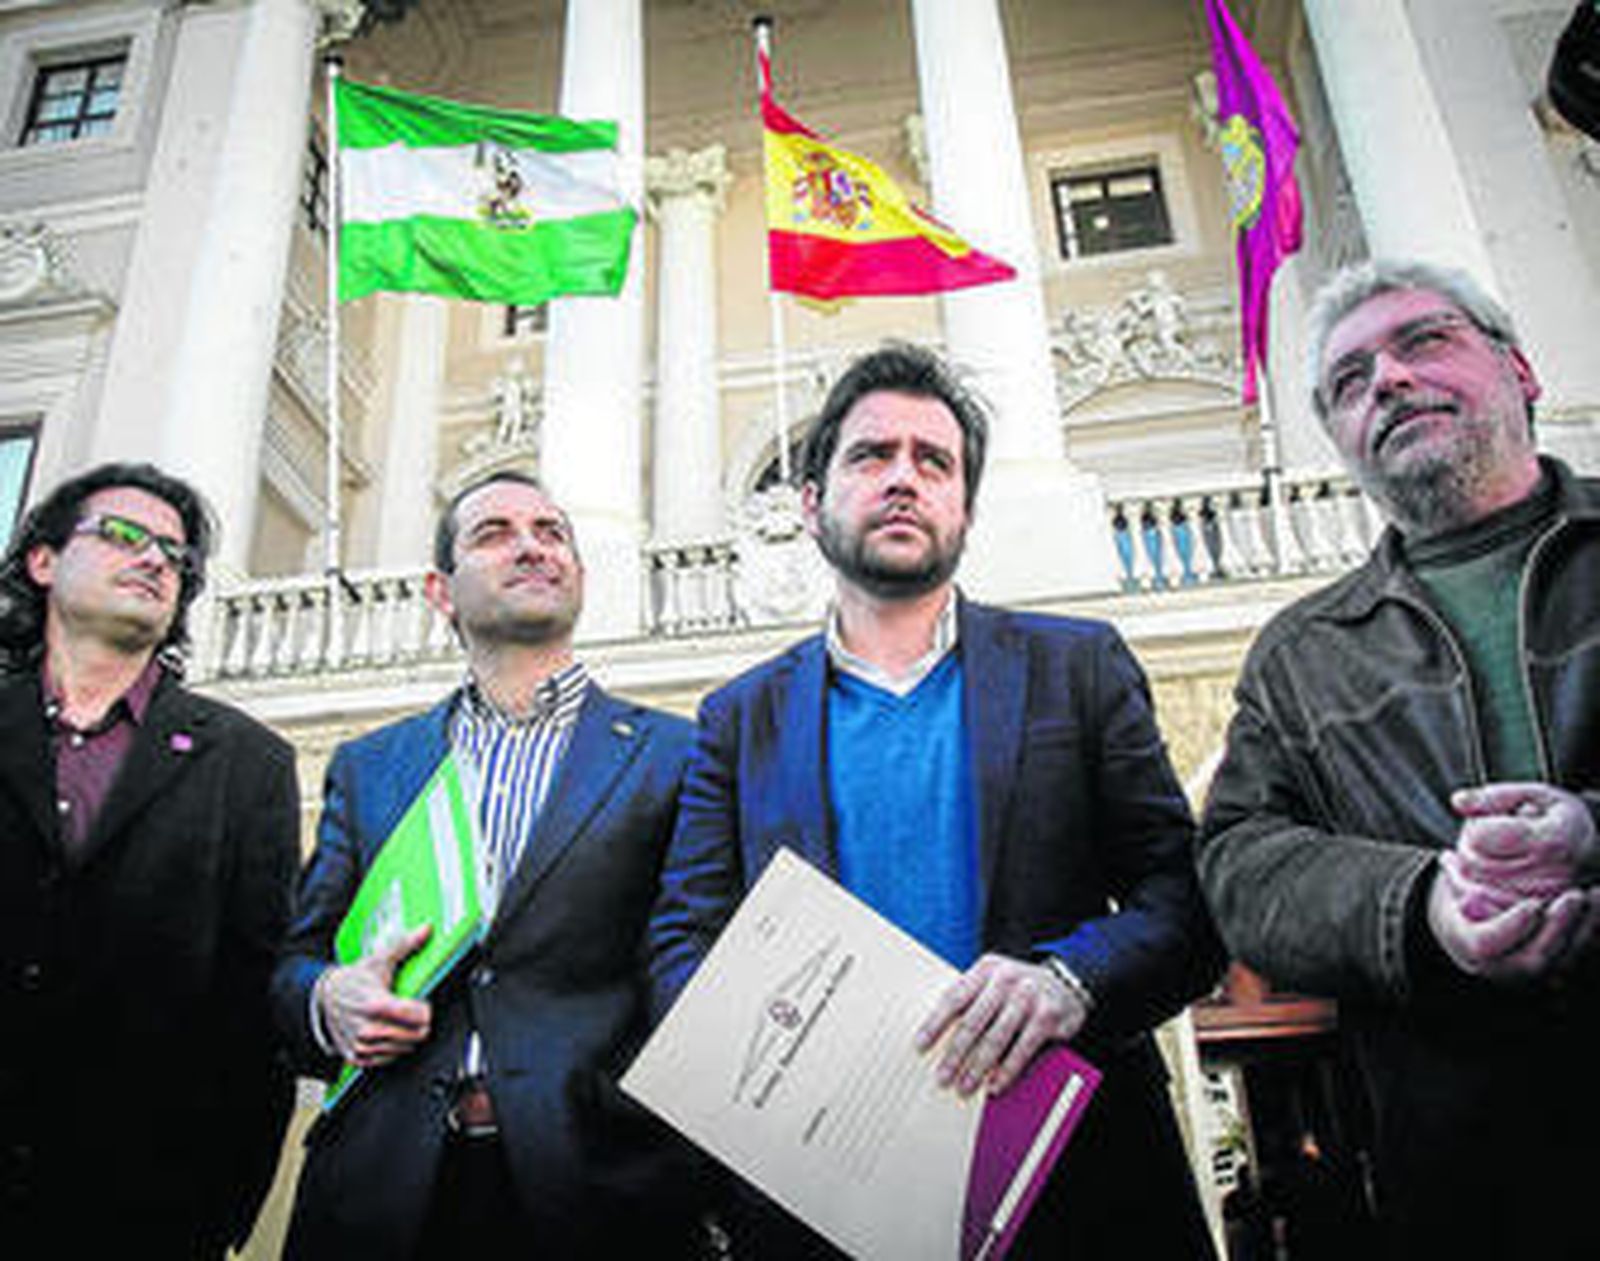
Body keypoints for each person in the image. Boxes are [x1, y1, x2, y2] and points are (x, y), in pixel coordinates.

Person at [650, 343, 1224, 1258]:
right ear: (810, 503)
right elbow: (682, 939)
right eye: (871, 456)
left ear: (964, 505)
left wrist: (1069, 981)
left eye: (934, 460)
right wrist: (773, 1054)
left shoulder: (1078, 667)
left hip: (1075, 1181)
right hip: (824, 1187)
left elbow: (1186, 900)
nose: (904, 479)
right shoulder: (737, 718)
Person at [1198, 258, 1600, 1259]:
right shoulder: (1301, 654)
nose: (1383, 379)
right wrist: (1422, 907)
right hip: (1473, 1182)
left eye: (1423, 341)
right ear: (1338, 438)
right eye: (1346, 381)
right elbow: (1238, 866)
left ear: (1521, 369)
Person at [272, 471, 703, 1259]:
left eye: (551, 530)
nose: (532, 545)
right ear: (441, 591)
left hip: (599, 1192)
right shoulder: (373, 767)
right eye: (495, 532)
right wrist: (328, 998)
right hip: (382, 1195)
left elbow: (699, 975)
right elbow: (292, 964)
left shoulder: (679, 757)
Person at [0, 463, 298, 1258]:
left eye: (176, 554)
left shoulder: (248, 761)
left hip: (137, 1210)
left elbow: (252, 1002)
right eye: (126, 536)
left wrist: (219, 1203)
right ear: (42, 561)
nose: (157, 559)